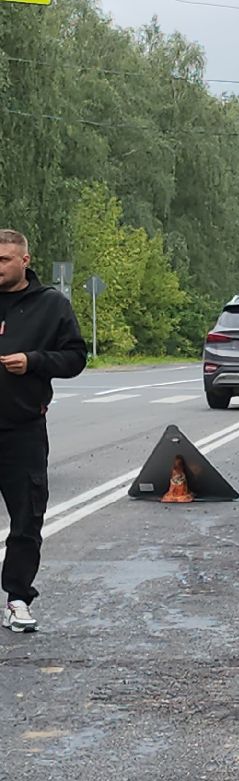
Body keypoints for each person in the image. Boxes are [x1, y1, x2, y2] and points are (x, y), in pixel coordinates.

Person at [0, 230, 87, 634]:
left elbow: (74, 357)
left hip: (22, 428)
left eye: (4, 260)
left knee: (26, 518)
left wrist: (33, 361)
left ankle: (17, 598)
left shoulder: (50, 305)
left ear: (24, 261)